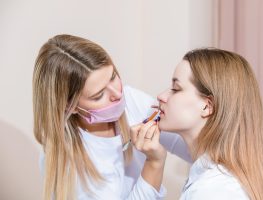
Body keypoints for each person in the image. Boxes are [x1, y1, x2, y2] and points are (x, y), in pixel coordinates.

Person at [32, 34, 191, 200]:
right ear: (69, 106)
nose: (118, 94)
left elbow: (192, 148)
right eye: (99, 95)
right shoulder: (66, 160)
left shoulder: (131, 100)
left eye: (113, 76)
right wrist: (154, 163)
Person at [155, 48, 263, 199]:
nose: (161, 96)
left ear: (207, 106)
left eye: (176, 89)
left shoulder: (211, 191)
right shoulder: (215, 183)